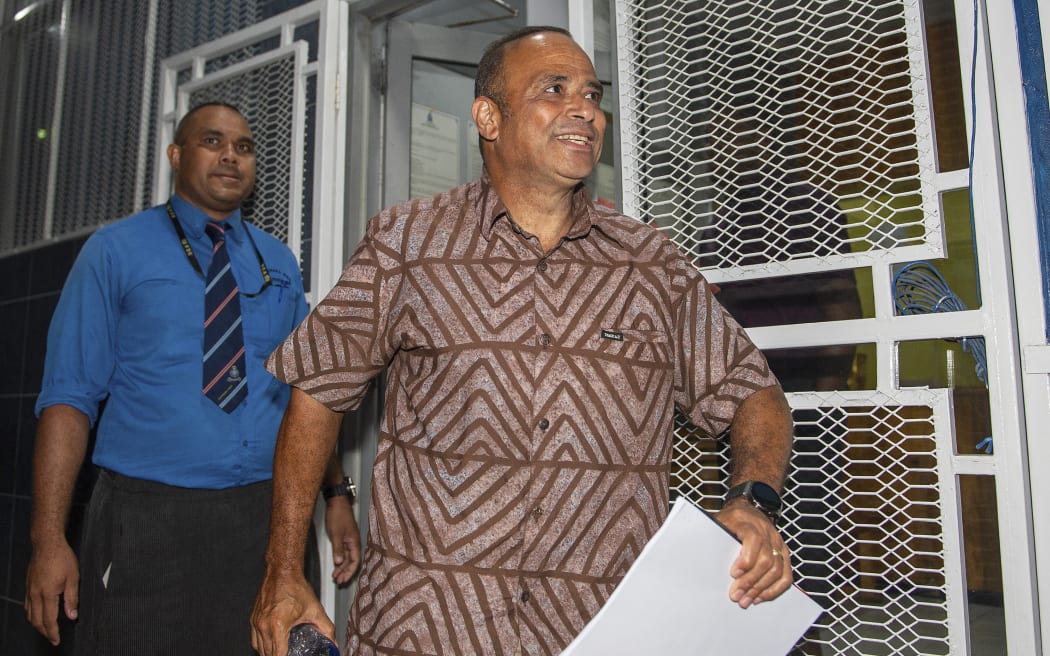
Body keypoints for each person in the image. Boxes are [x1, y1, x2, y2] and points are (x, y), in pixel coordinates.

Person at [251, 27, 794, 656]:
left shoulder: (653, 266)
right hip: (425, 629)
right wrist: (284, 573)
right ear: (488, 116)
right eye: (553, 89)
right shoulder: (406, 246)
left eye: (592, 93)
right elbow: (317, 392)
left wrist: (752, 501)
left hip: (601, 632)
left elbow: (755, 395)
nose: (584, 108)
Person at [24, 102, 361, 654]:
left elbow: (311, 394)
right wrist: (47, 539)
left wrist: (335, 495)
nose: (231, 155)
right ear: (176, 155)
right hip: (148, 517)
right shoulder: (114, 252)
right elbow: (68, 399)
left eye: (245, 147)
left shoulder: (277, 261)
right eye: (213, 140)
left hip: (267, 518)